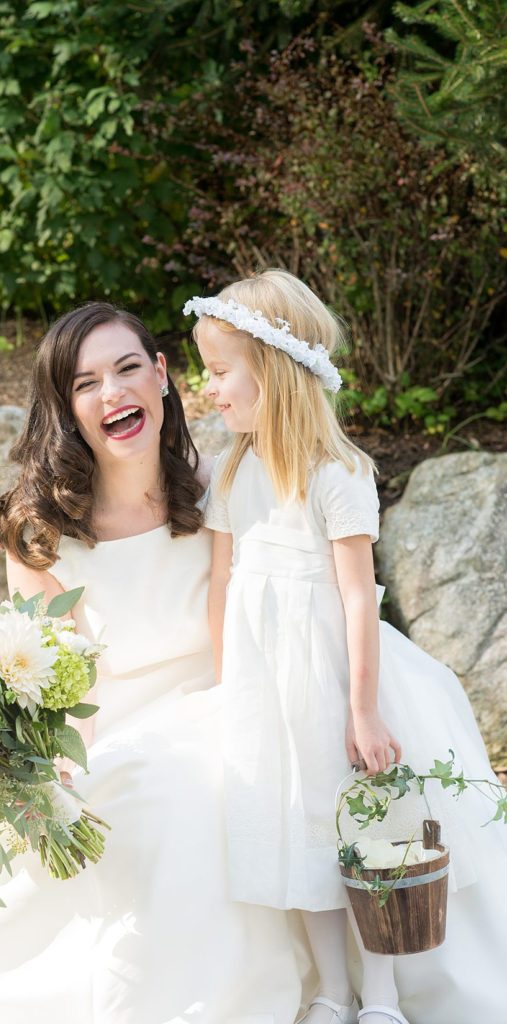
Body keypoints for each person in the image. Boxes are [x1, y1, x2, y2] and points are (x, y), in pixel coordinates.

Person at [0, 302, 313, 1023]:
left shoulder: (220, 486)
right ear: (66, 407)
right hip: (103, 717)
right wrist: (54, 772)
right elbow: (57, 676)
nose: (112, 393)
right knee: (113, 806)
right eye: (86, 384)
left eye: (126, 369)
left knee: (194, 793)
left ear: (162, 376)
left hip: (215, 694)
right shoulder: (42, 528)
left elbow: (238, 619)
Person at [184, 270, 507, 1024]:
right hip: (265, 687)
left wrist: (361, 710)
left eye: (221, 372)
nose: (210, 389)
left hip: (332, 678)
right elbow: (221, 582)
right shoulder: (234, 473)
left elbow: (360, 596)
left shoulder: (337, 475)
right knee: (294, 836)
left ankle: (383, 994)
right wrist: (227, 682)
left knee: (364, 834)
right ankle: (331, 988)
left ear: (271, 371)